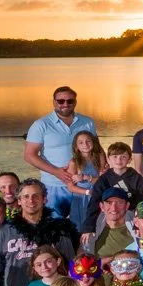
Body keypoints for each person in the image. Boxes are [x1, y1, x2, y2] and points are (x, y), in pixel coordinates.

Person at [22, 87, 97, 217]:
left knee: (84, 227)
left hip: (84, 185)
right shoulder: (41, 124)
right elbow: (29, 155)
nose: (65, 104)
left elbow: (97, 150)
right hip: (54, 187)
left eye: (70, 101)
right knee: (53, 226)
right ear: (54, 102)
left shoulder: (87, 122)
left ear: (75, 102)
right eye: (61, 101)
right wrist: (57, 172)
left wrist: (103, 170)